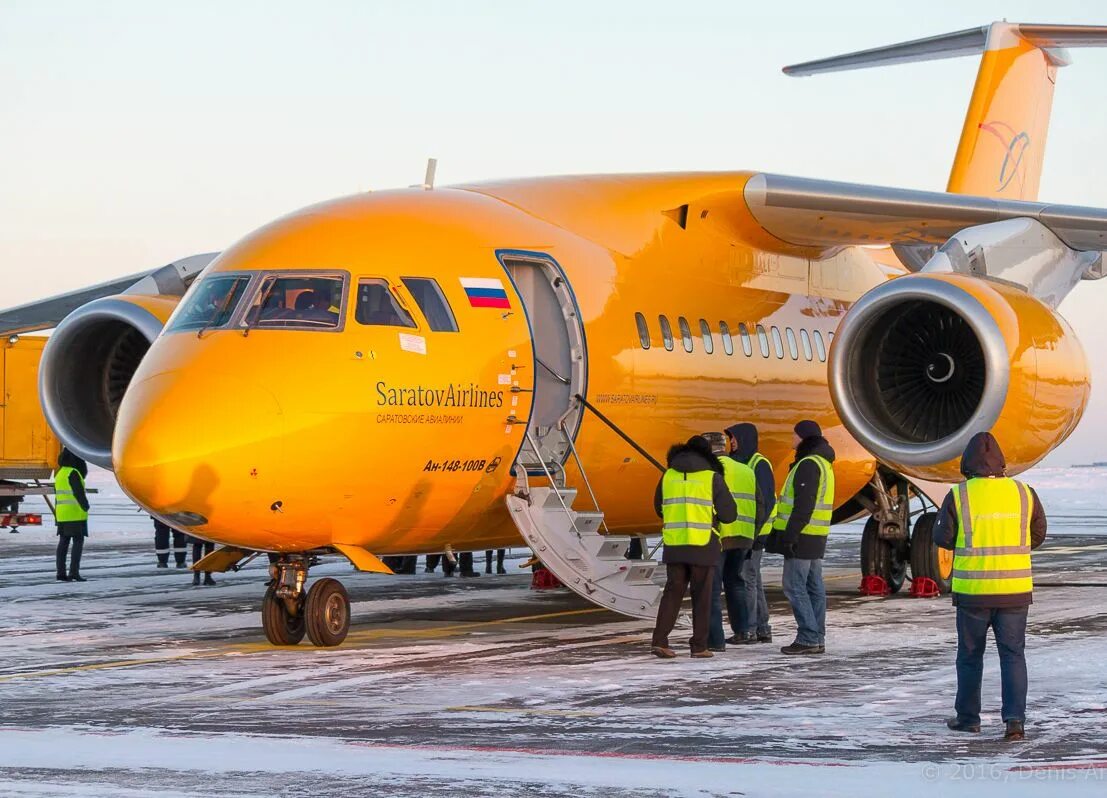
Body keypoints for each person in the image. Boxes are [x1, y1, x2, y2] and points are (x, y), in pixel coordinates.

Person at [934, 432, 1046, 742]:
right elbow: (1038, 535)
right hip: (1014, 591)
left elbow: (942, 538)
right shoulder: (1025, 492)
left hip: (973, 593)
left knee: (970, 656)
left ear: (967, 463)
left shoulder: (960, 495)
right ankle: (1014, 723)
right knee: (1013, 656)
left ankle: (969, 719)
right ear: (1001, 462)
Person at [651, 435, 738, 659]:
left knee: (672, 593)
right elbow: (729, 514)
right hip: (703, 544)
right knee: (702, 596)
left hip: (675, 543)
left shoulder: (668, 475)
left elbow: (659, 507)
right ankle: (699, 646)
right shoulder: (712, 478)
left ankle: (660, 641)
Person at [767, 420, 835, 655]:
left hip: (803, 536)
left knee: (794, 586)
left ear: (804, 438)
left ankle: (808, 637)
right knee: (814, 587)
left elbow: (803, 505)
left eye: (794, 435)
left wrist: (790, 535)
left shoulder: (808, 464)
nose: (791, 439)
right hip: (815, 536)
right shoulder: (823, 463)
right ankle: (817, 637)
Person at [706, 432, 766, 652]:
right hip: (744, 537)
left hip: (720, 537)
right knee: (736, 583)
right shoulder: (746, 469)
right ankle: (744, 631)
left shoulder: (711, 471)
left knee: (712, 588)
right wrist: (753, 533)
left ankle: (715, 639)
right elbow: (760, 505)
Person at [725, 423, 775, 645]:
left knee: (747, 580)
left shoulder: (759, 464)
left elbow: (766, 500)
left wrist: (755, 531)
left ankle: (750, 629)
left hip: (754, 533)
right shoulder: (741, 463)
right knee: (754, 581)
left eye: (734, 438)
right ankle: (762, 628)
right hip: (746, 532)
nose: (731, 442)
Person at [53, 447, 90, 582]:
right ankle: (74, 572)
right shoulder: (73, 473)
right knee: (78, 541)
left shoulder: (60, 473)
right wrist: (86, 506)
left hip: (62, 514)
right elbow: (78, 493)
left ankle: (60, 573)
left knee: (63, 542)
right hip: (74, 514)